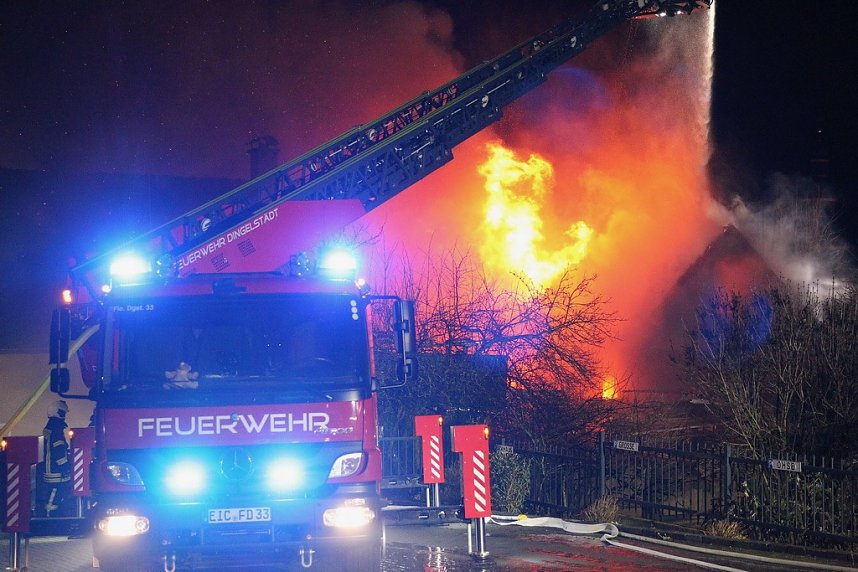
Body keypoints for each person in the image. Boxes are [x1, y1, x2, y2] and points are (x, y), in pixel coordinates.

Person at [42, 400, 72, 516]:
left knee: (56, 492)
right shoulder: (56, 429)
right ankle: (50, 515)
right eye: (63, 413)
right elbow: (58, 450)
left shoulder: (52, 427)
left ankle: (52, 514)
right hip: (55, 469)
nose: (64, 416)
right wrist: (65, 466)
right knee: (55, 492)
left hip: (52, 467)